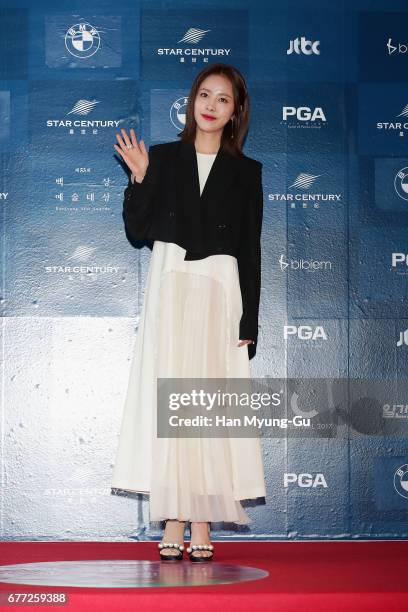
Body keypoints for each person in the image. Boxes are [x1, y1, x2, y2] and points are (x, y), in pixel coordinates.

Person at [112, 63, 266, 562]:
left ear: (235, 112)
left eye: (223, 99)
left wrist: (249, 321)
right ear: (191, 100)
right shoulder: (162, 159)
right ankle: (173, 518)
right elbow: (139, 230)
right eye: (205, 94)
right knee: (170, 399)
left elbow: (250, 248)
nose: (211, 105)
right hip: (171, 279)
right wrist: (139, 179)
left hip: (220, 286)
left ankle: (201, 517)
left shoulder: (247, 173)